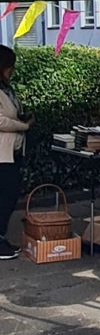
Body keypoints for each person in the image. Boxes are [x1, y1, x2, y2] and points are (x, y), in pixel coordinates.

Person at [0, 46, 33, 260]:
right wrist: (24, 126)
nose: (12, 70)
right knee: (6, 195)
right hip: (2, 153)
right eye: (9, 66)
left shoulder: (6, 89)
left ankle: (1, 236)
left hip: (12, 151)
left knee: (9, 194)